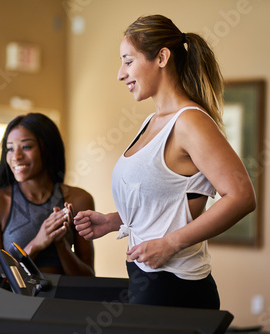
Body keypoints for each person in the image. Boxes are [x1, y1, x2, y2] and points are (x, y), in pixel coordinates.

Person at [74, 15, 256, 308]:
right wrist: (112, 221)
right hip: (145, 277)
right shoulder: (152, 122)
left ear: (161, 57)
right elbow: (166, 204)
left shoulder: (190, 123)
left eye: (128, 61)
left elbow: (242, 197)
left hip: (176, 286)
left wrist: (170, 244)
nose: (121, 73)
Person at [0, 113, 95, 276]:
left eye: (26, 147)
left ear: (47, 149)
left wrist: (61, 244)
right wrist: (36, 244)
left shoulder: (79, 200)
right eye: (10, 148)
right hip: (18, 300)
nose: (16, 156)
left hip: (63, 298)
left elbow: (88, 278)